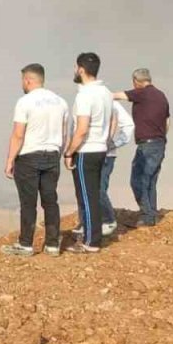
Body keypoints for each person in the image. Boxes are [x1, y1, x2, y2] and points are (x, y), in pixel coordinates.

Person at [1, 64, 70, 257]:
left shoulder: (25, 102)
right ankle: (52, 245)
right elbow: (64, 133)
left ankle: (26, 244)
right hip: (52, 154)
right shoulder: (61, 102)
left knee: (28, 203)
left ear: (28, 80)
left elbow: (18, 134)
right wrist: (60, 153)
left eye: (22, 80)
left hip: (29, 157)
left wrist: (10, 160)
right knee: (50, 200)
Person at [63, 52, 113, 253]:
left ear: (81, 70)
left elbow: (82, 129)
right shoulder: (106, 92)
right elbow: (111, 121)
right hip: (100, 149)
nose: (75, 71)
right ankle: (91, 236)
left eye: (76, 67)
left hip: (86, 151)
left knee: (87, 196)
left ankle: (91, 241)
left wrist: (69, 152)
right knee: (92, 194)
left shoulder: (85, 95)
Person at [113, 68, 170, 227]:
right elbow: (167, 121)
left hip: (147, 145)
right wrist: (160, 137)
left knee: (138, 180)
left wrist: (99, 94)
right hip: (159, 143)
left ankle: (147, 216)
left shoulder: (142, 93)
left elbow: (118, 96)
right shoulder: (161, 95)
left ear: (136, 81)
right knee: (150, 181)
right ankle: (152, 214)